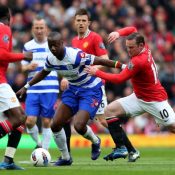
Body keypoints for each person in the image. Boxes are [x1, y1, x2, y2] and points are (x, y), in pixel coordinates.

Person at [16, 32, 124, 166]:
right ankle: (66, 158)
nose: (53, 48)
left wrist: (122, 66)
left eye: (55, 45)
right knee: (55, 124)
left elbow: (101, 60)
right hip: (73, 90)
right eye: (50, 46)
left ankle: (95, 141)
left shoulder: (75, 55)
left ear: (62, 43)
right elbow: (43, 72)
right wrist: (26, 86)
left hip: (90, 90)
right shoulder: (51, 58)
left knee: (79, 126)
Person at [85, 27, 175, 144]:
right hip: (138, 98)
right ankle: (123, 147)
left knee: (172, 127)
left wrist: (97, 72)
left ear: (140, 45)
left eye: (131, 47)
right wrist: (118, 33)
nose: (128, 50)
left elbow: (119, 78)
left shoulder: (138, 61)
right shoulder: (144, 47)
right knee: (109, 111)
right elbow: (133, 29)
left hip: (155, 100)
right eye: (127, 47)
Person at [71, 9, 139, 162]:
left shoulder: (95, 38)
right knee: (103, 120)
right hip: (81, 86)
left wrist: (95, 69)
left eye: (84, 21)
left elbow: (104, 58)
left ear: (89, 23)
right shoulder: (75, 41)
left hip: (95, 85)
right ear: (75, 22)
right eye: (78, 20)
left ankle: (130, 149)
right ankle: (129, 149)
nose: (81, 23)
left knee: (105, 120)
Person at [0, 5, 32, 170]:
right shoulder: (3, 28)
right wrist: (23, 55)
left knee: (18, 119)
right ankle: (8, 161)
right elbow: (1, 54)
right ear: (9, 15)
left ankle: (8, 160)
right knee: (19, 117)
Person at [21, 16, 60, 150]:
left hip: (50, 88)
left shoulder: (52, 46)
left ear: (46, 29)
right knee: (29, 121)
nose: (39, 30)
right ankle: (38, 143)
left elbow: (61, 63)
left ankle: (44, 150)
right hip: (32, 88)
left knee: (46, 120)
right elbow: (22, 67)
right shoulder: (28, 46)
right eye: (36, 28)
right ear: (32, 29)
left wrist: (65, 78)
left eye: (41, 28)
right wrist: (28, 67)